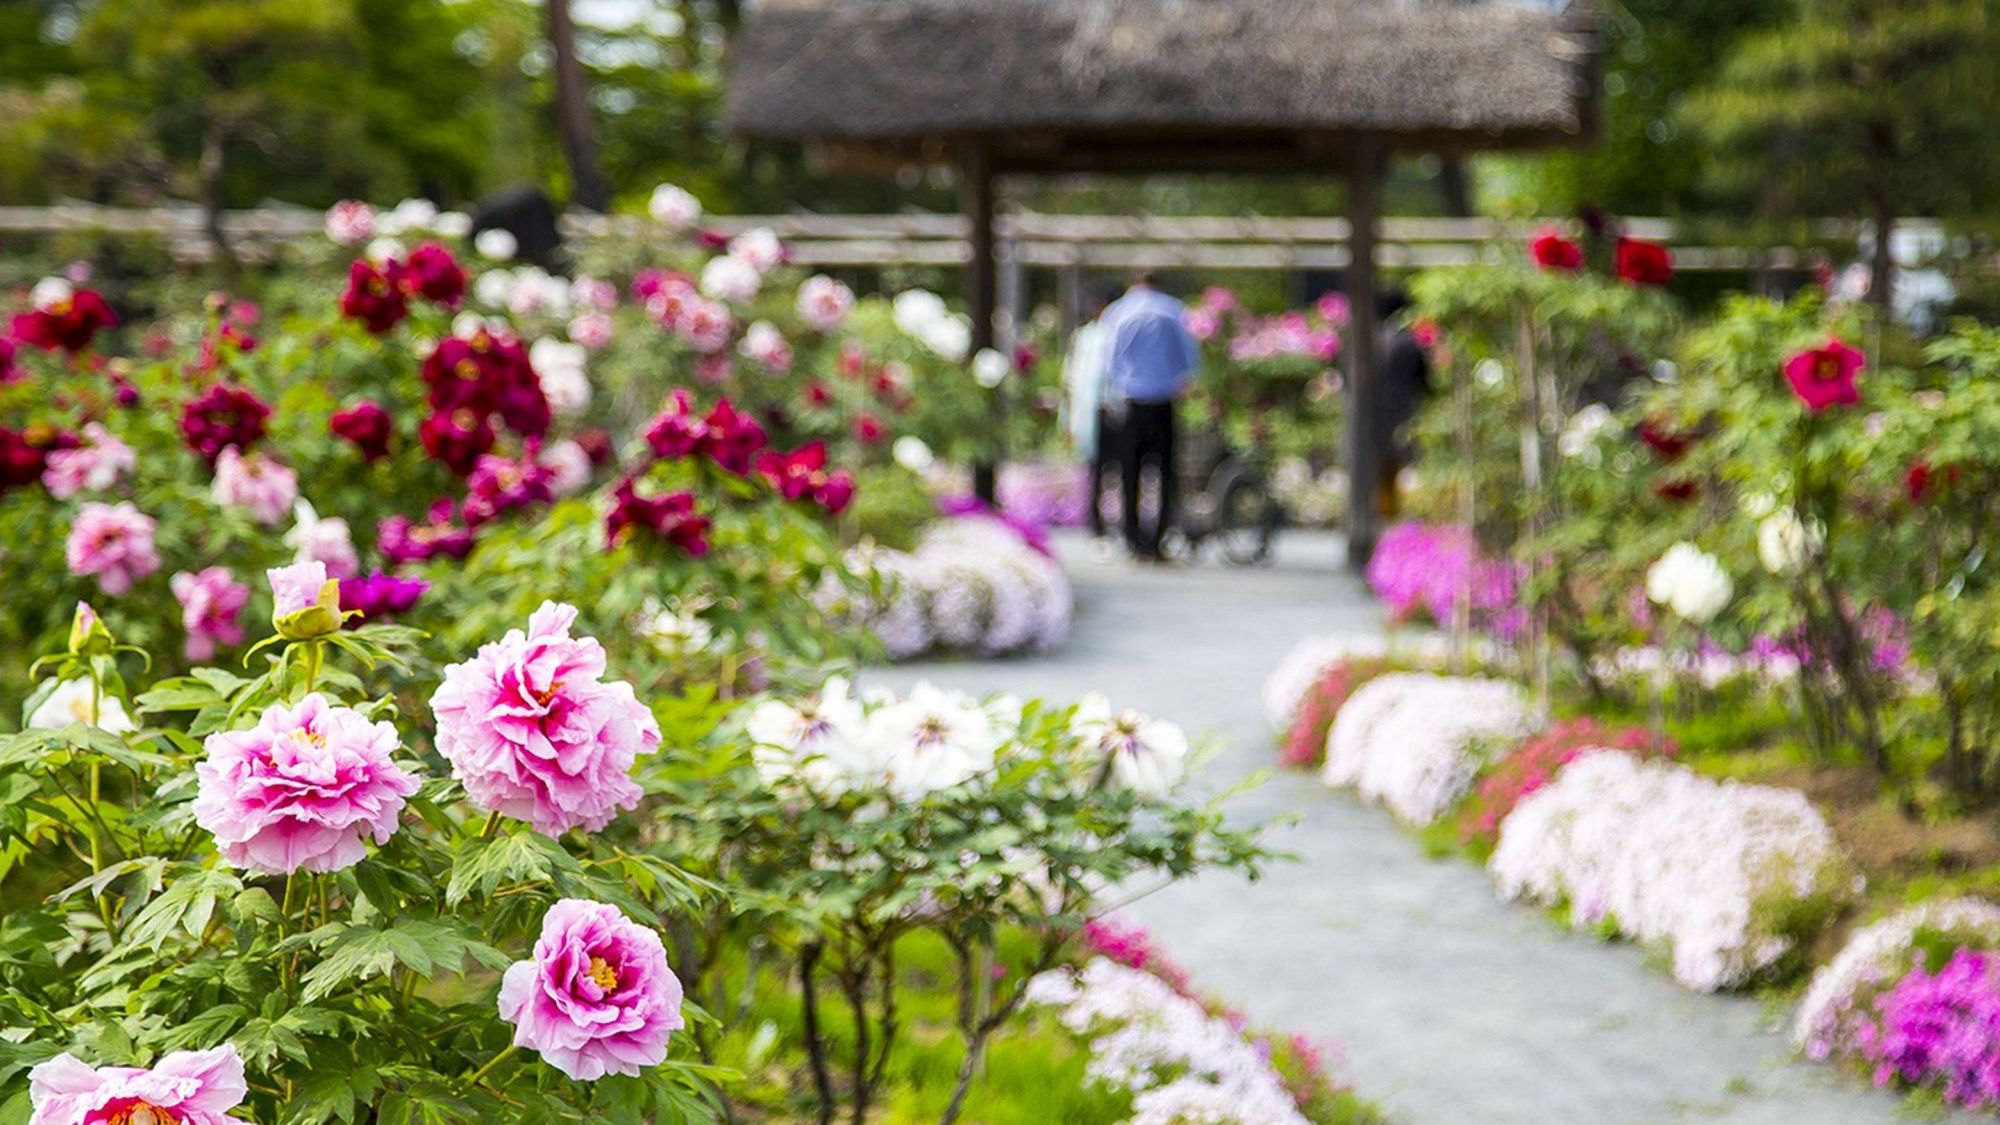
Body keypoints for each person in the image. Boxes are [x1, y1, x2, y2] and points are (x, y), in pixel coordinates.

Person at [1100, 272, 1200, 561]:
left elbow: (1109, 361)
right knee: (1165, 473)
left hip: (1130, 401)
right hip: (1163, 401)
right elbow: (1189, 360)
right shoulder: (1172, 310)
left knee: (1129, 472)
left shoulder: (1118, 312)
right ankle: (1157, 539)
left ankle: (1132, 539)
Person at [1062, 285, 1120, 547]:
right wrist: (1066, 419)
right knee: (1095, 470)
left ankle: (1121, 524)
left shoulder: (1117, 332)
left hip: (1114, 411)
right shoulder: (1083, 336)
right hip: (1089, 412)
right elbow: (1071, 379)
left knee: (1118, 469)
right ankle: (1097, 524)